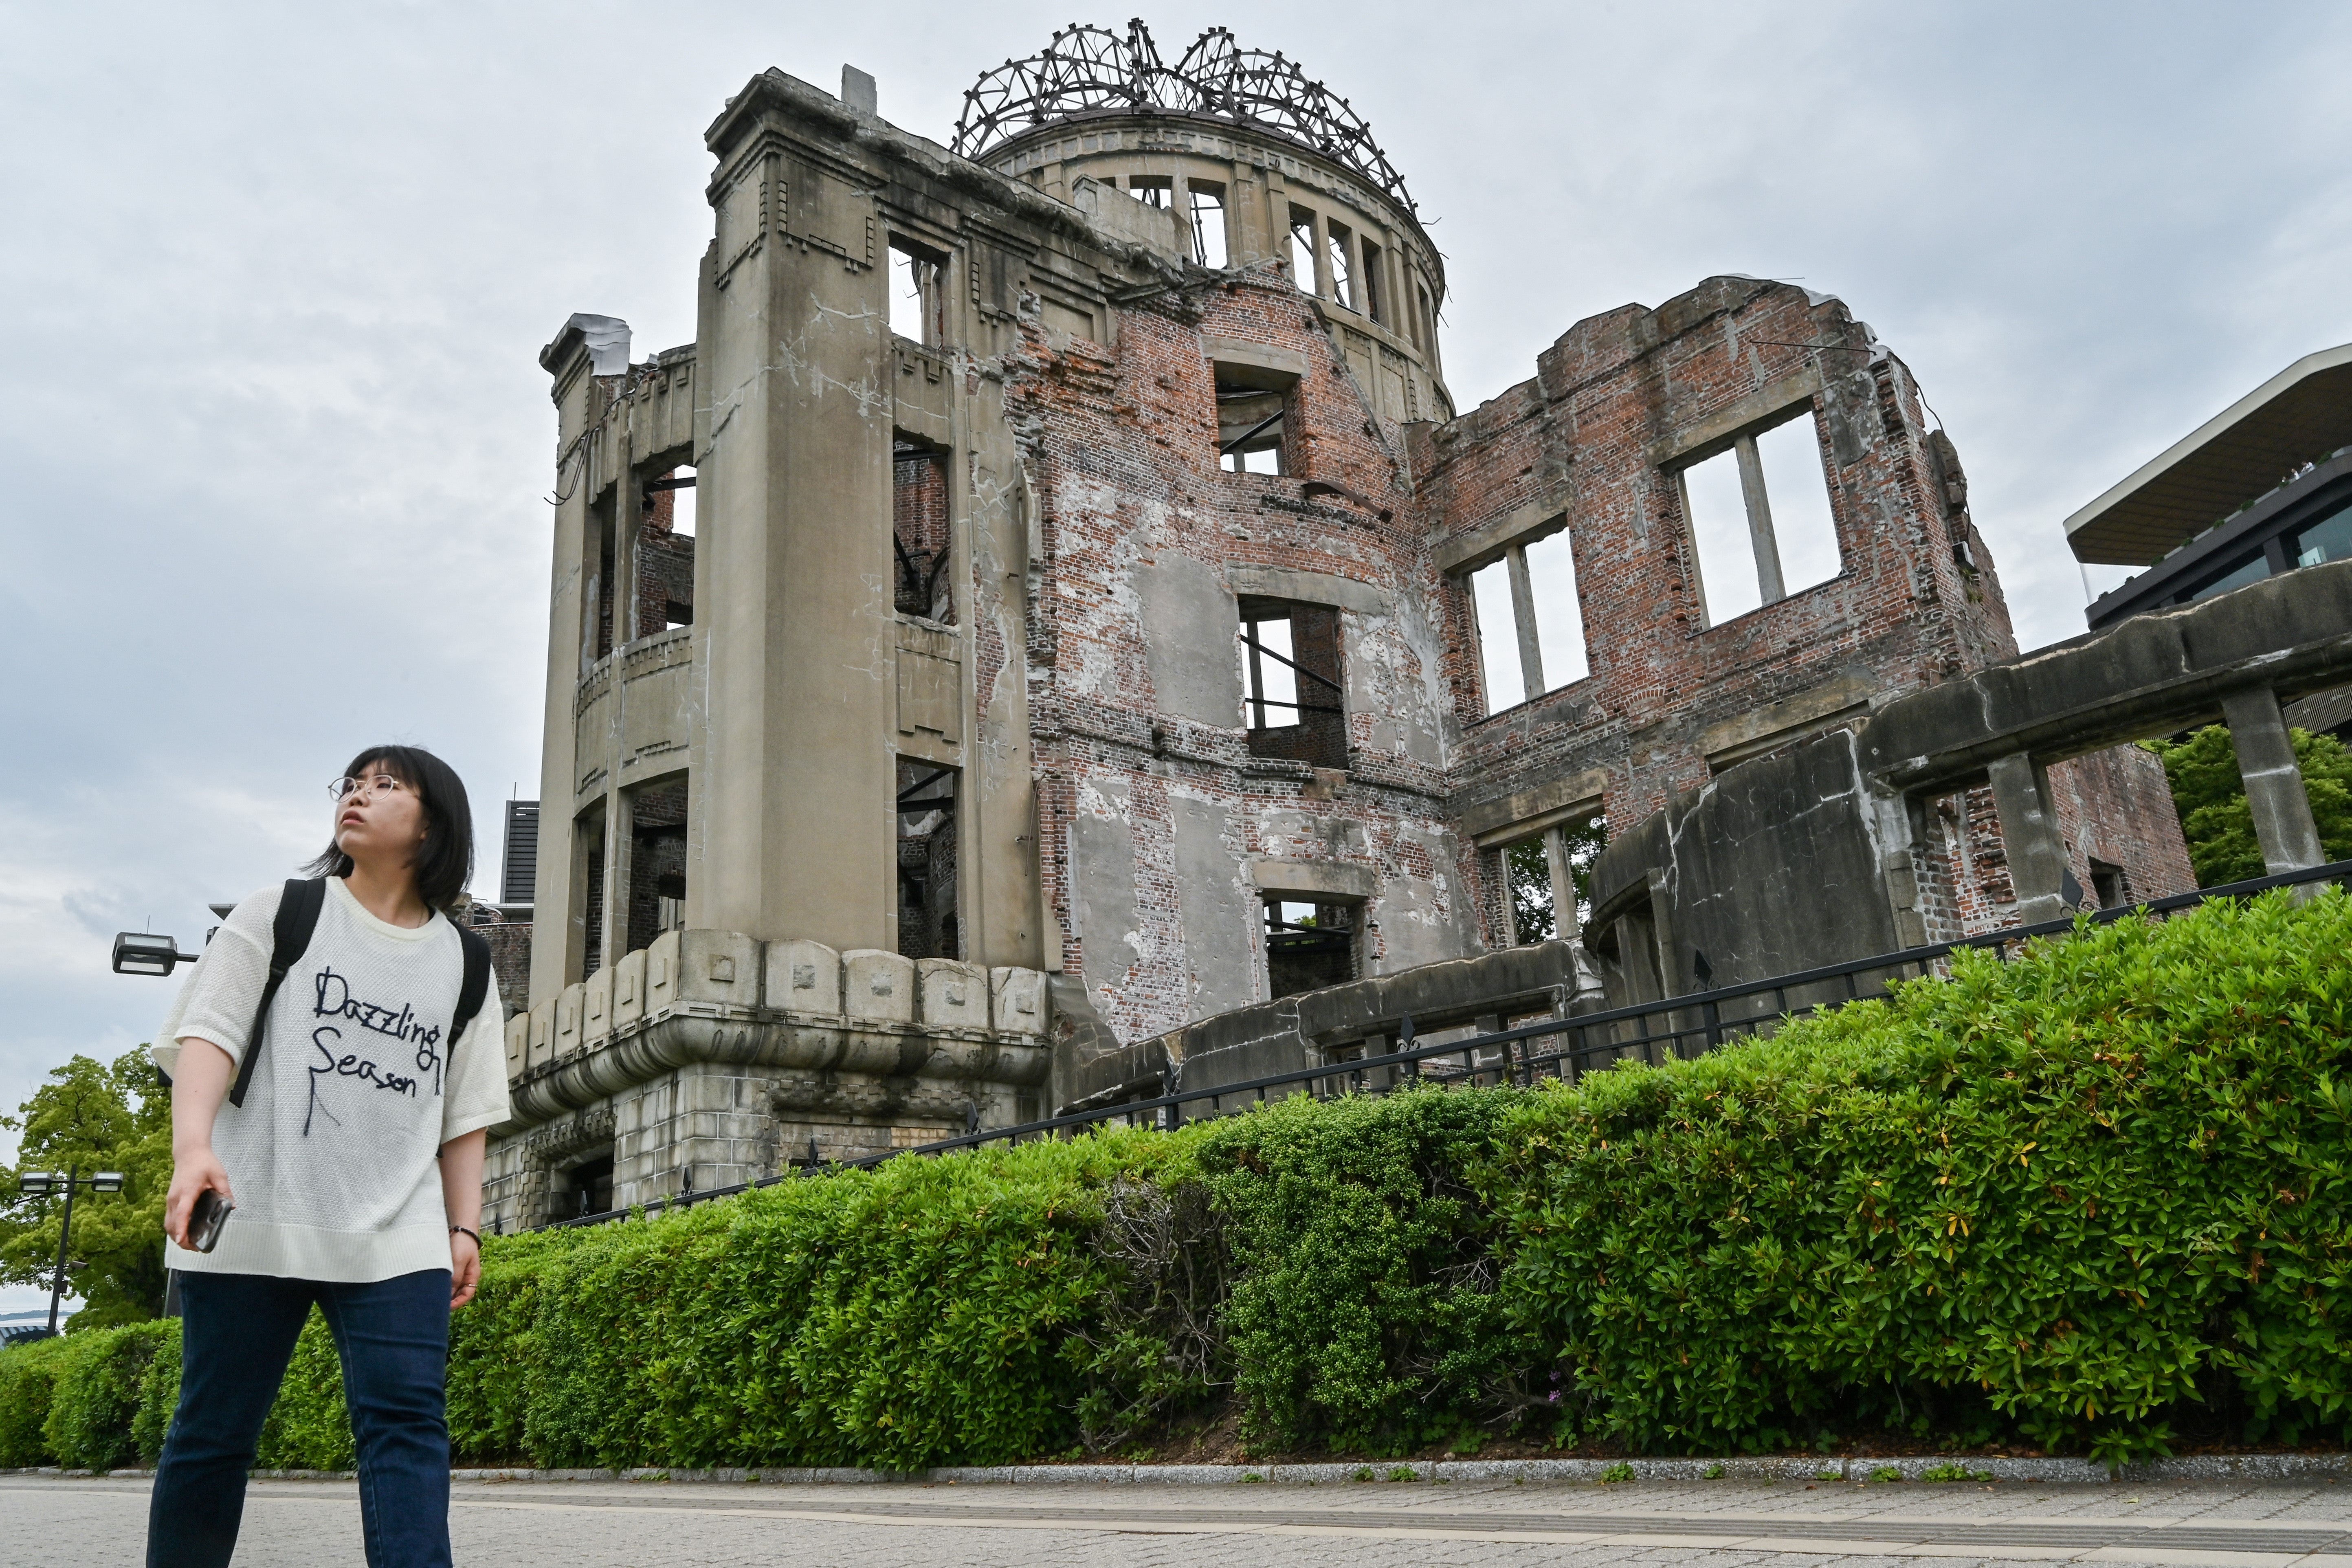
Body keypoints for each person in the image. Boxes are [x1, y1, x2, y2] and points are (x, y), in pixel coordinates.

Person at [146, 746, 511, 1568]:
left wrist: (465, 1227)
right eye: (352, 781)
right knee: (212, 1432)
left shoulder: (468, 963)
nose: (358, 794)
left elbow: (465, 1113)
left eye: (387, 784)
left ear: (432, 825)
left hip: (398, 1233)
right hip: (257, 1212)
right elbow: (211, 1033)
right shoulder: (282, 911)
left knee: (408, 1430)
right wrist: (193, 1146)